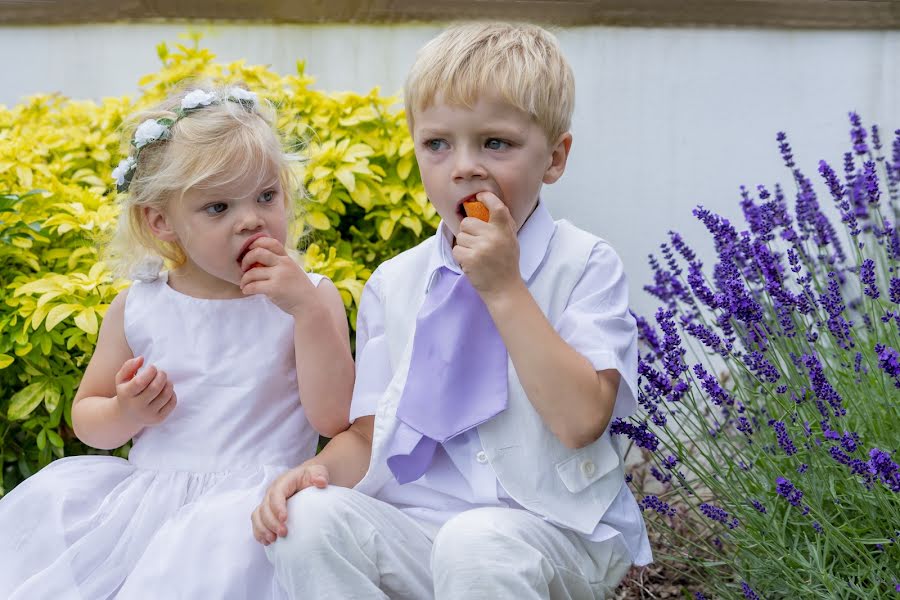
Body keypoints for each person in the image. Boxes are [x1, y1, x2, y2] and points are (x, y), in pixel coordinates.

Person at [254, 22, 651, 599]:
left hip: (554, 532)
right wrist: (315, 476)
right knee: (309, 522)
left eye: (496, 143)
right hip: (423, 528)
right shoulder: (396, 282)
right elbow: (371, 434)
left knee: (477, 541)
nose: (463, 167)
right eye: (438, 144)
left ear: (555, 158)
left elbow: (579, 422)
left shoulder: (584, 264)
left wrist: (505, 289)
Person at [0, 84, 354, 599]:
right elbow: (88, 421)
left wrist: (305, 311)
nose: (250, 219)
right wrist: (127, 410)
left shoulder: (311, 299)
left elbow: (333, 419)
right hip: (148, 513)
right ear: (161, 221)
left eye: (266, 196)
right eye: (217, 208)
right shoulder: (140, 307)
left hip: (257, 512)